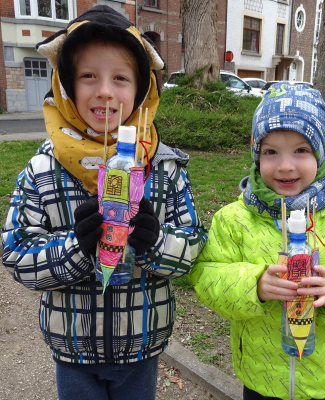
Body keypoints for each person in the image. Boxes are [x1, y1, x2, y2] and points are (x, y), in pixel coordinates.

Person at [1, 6, 206, 400]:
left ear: (143, 89)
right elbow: (15, 255)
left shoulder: (164, 168)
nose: (106, 91)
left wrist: (155, 242)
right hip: (73, 349)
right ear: (66, 85)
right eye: (88, 76)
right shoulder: (45, 167)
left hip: (141, 347)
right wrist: (75, 247)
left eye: (121, 78)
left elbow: (194, 248)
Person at [188, 82, 325, 400]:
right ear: (256, 154)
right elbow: (206, 275)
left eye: (301, 150)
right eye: (271, 152)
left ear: (321, 153)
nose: (285, 165)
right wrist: (254, 285)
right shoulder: (235, 219)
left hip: (322, 380)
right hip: (261, 379)